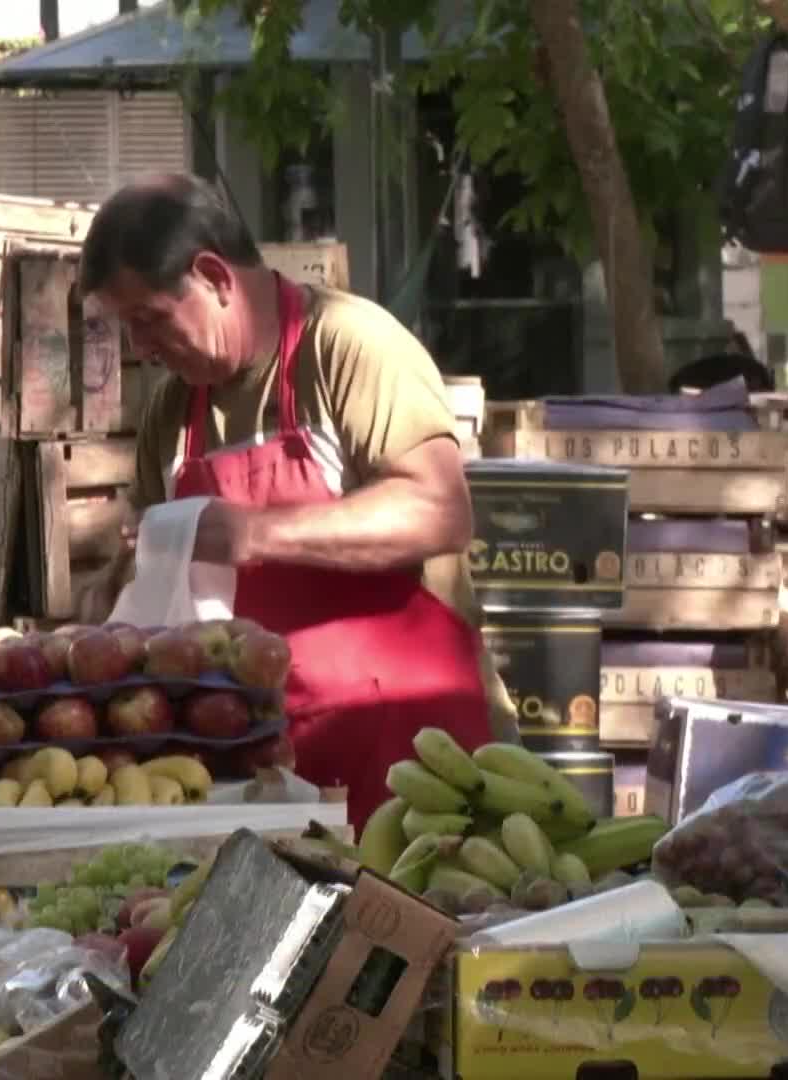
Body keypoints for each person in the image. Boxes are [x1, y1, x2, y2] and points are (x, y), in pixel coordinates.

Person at [79, 174, 513, 828]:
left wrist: (256, 532)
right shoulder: (172, 413)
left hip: (419, 760)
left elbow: (440, 511)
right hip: (267, 776)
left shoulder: (347, 345)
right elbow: (140, 589)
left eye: (149, 320)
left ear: (214, 277)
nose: (142, 349)